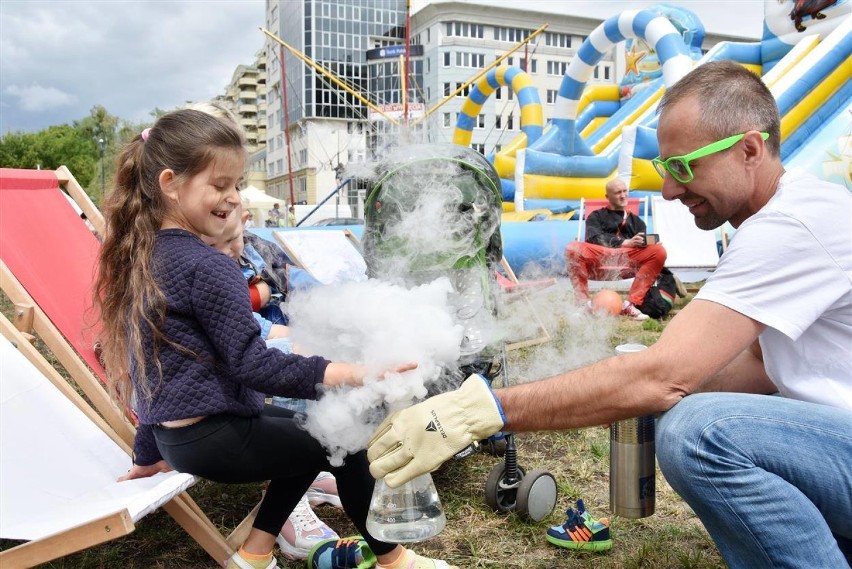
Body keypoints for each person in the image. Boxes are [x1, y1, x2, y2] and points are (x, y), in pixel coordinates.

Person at [367, 61, 852, 568]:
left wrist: (473, 412)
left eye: (684, 167)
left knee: (701, 432)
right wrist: (606, 386)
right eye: (666, 170)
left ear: (749, 149)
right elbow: (757, 368)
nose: (668, 190)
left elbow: (665, 377)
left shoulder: (792, 224)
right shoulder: (781, 218)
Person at [94, 109, 455, 569]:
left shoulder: (145, 258)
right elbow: (253, 363)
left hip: (175, 439)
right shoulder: (209, 266)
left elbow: (148, 371)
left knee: (316, 431)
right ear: (170, 182)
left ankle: (255, 554)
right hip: (215, 437)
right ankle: (396, 561)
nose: (233, 197)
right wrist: (349, 372)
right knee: (345, 444)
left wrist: (149, 452)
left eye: (237, 183)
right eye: (220, 184)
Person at [204, 207, 342, 560]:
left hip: (231, 372)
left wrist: (316, 337)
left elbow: (259, 327)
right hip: (211, 395)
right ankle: (285, 499)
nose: (238, 252)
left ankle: (304, 477)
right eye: (229, 242)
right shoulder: (193, 274)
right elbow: (249, 350)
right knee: (299, 368)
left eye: (240, 241)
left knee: (315, 351)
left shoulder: (218, 268)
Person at [564, 178, 667, 321]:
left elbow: (641, 247)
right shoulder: (596, 216)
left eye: (625, 191)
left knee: (658, 250)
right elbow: (594, 238)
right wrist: (625, 242)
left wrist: (649, 246)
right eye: (618, 192)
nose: (623, 195)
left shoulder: (637, 222)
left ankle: (631, 304)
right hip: (599, 261)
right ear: (607, 197)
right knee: (572, 248)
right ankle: (582, 304)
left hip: (626, 264)